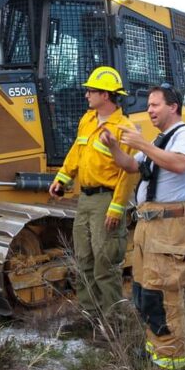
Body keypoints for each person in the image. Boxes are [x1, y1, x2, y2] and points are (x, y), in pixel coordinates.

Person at [100, 84, 185, 370]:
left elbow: (181, 165)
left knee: (164, 294)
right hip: (148, 226)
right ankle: (154, 348)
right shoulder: (160, 140)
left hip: (170, 227)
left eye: (155, 104)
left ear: (173, 107)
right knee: (144, 292)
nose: (149, 110)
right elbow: (132, 166)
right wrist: (114, 147)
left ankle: (171, 361)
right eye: (148, 105)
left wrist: (142, 143)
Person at [49, 66, 136, 321]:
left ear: (106, 95)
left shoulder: (124, 128)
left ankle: (113, 321)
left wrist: (117, 207)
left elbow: (129, 173)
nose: (86, 94)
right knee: (84, 259)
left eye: (91, 91)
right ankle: (90, 316)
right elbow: (76, 154)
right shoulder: (87, 121)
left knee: (105, 262)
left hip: (105, 200)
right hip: (84, 199)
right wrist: (62, 179)